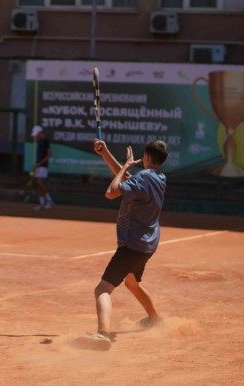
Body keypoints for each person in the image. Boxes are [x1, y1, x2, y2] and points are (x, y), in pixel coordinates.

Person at [88, 138, 169, 350]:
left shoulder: (143, 177)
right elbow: (127, 181)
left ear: (146, 157)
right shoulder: (159, 177)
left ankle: (102, 334)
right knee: (132, 283)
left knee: (102, 289)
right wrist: (105, 153)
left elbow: (111, 192)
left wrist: (125, 166)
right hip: (147, 244)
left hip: (132, 244)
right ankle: (155, 319)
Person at [30, 125, 54, 210]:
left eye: (36, 134)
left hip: (43, 166)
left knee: (39, 182)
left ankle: (49, 200)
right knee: (38, 184)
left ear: (40, 132)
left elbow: (49, 154)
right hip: (38, 166)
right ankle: (41, 203)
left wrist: (40, 163)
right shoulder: (39, 141)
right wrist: (36, 165)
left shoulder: (45, 141)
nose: (35, 136)